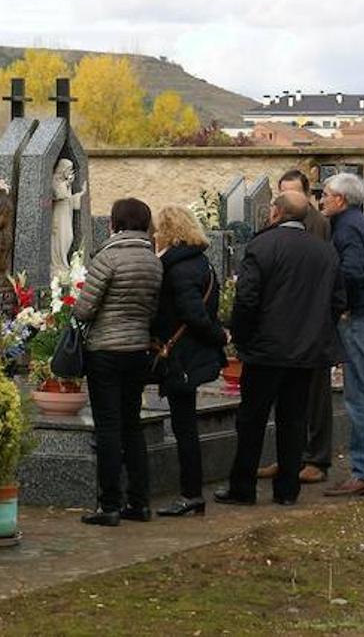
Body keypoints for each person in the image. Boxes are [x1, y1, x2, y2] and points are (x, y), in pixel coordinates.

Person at [215, 191, 346, 506]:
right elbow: (339, 301)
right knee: (294, 420)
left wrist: (241, 338)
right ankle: (287, 490)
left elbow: (247, 299)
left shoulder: (262, 246)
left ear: (276, 213)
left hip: (266, 349)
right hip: (305, 350)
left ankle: (242, 487)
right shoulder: (325, 252)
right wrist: (317, 330)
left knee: (252, 419)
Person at [72, 198, 163, 526]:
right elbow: (152, 310)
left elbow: (84, 309)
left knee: (108, 427)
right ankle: (139, 502)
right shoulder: (153, 261)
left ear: (114, 223)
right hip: (137, 349)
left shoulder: (107, 258)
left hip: (106, 351)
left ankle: (109, 504)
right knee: (132, 425)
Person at [258, 169, 336, 486]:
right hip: (284, 324)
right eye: (283, 192)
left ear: (306, 194)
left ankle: (317, 458)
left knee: (316, 395)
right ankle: (290, 456)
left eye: (294, 191)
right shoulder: (273, 222)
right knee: (288, 398)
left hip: (310, 322)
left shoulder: (318, 224)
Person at [150, 205, 227, 517]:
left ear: (169, 232)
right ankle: (191, 493)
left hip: (182, 355)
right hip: (192, 352)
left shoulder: (177, 267)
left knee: (184, 426)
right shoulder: (200, 261)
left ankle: (191, 493)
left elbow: (192, 312)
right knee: (185, 423)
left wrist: (219, 336)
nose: (154, 235)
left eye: (158, 230)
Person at [319, 172, 364, 498]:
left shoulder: (347, 227)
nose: (321, 200)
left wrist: (340, 306)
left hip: (361, 317)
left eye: (325, 194)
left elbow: (351, 271)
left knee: (361, 397)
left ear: (340, 199)